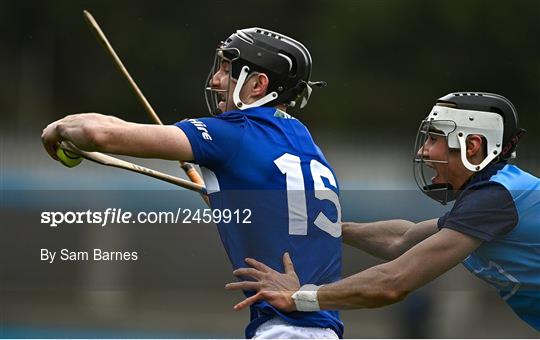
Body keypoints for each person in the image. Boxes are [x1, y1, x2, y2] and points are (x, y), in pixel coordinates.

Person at [41, 28, 344, 338]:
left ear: (257, 84)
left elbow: (99, 134)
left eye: (228, 70)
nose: (216, 80)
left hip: (287, 331)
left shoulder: (235, 133)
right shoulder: (304, 142)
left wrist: (59, 127)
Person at [225, 92, 540, 331]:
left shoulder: (495, 199)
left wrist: (299, 298)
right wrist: (325, 224)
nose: (423, 151)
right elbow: (402, 238)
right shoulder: (493, 197)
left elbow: (393, 282)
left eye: (434, 138)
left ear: (472, 146)